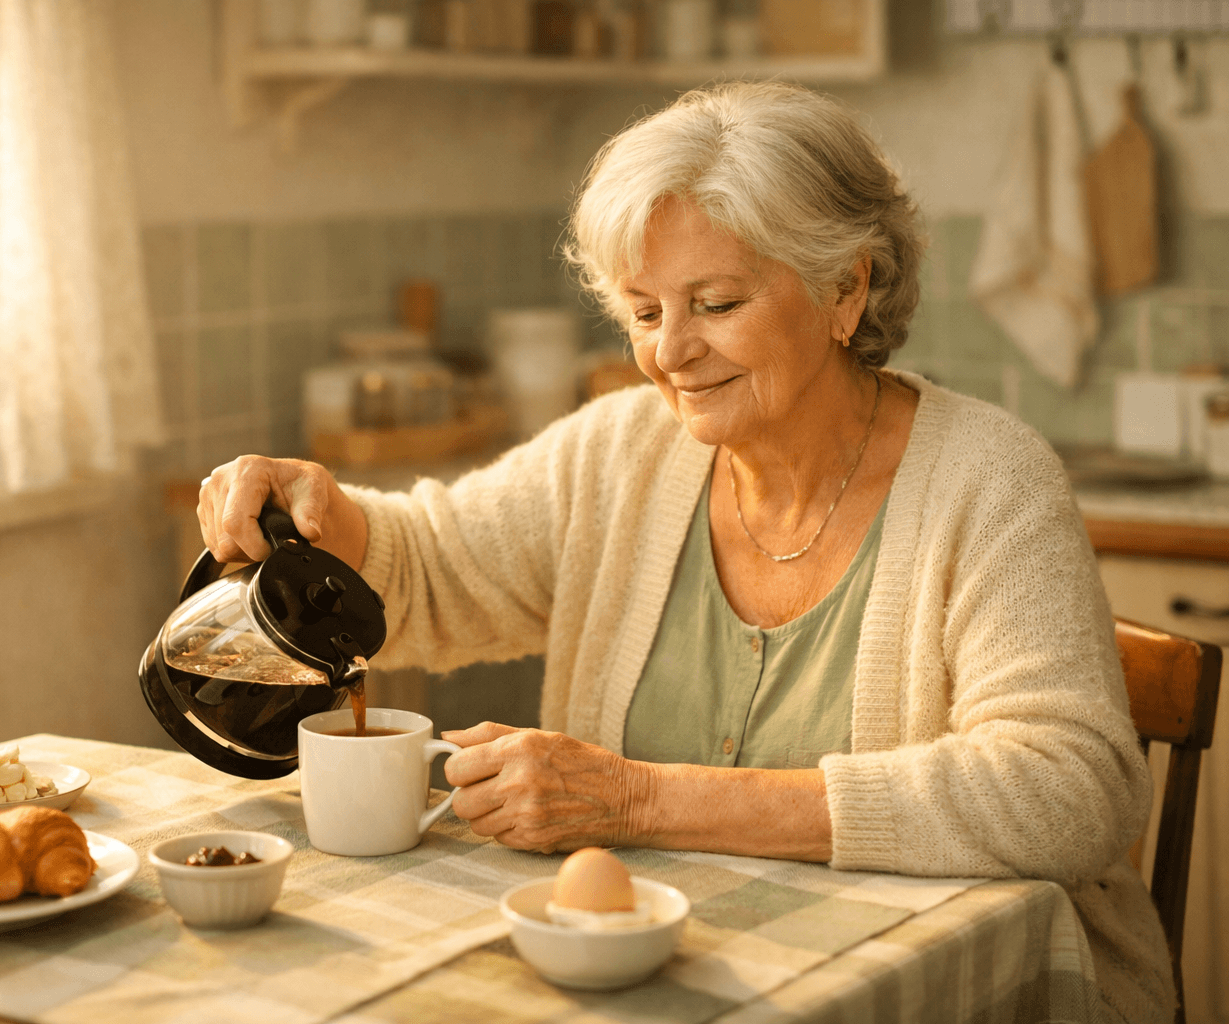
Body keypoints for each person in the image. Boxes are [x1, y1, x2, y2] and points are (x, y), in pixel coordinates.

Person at [197, 82, 1172, 1023]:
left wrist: (640, 797)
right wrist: (328, 517)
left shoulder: (990, 481)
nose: (669, 352)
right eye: (646, 310)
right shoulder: (621, 451)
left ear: (846, 286)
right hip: (644, 981)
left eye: (714, 303)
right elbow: (437, 567)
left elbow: (1069, 790)